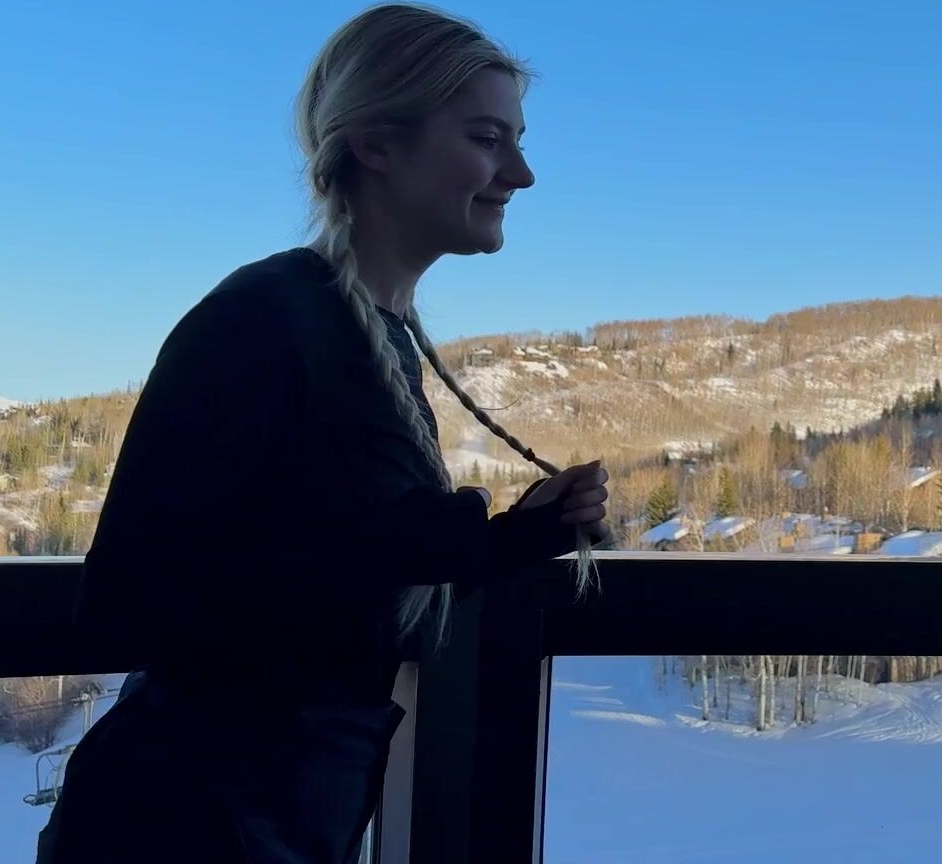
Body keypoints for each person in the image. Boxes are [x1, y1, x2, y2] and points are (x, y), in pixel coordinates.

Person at [35, 5, 606, 862]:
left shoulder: (366, 331)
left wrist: (505, 541)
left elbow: (327, 563)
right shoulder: (268, 317)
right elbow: (129, 598)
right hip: (185, 822)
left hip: (278, 816)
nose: (520, 174)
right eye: (488, 139)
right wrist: (419, 541)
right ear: (376, 144)